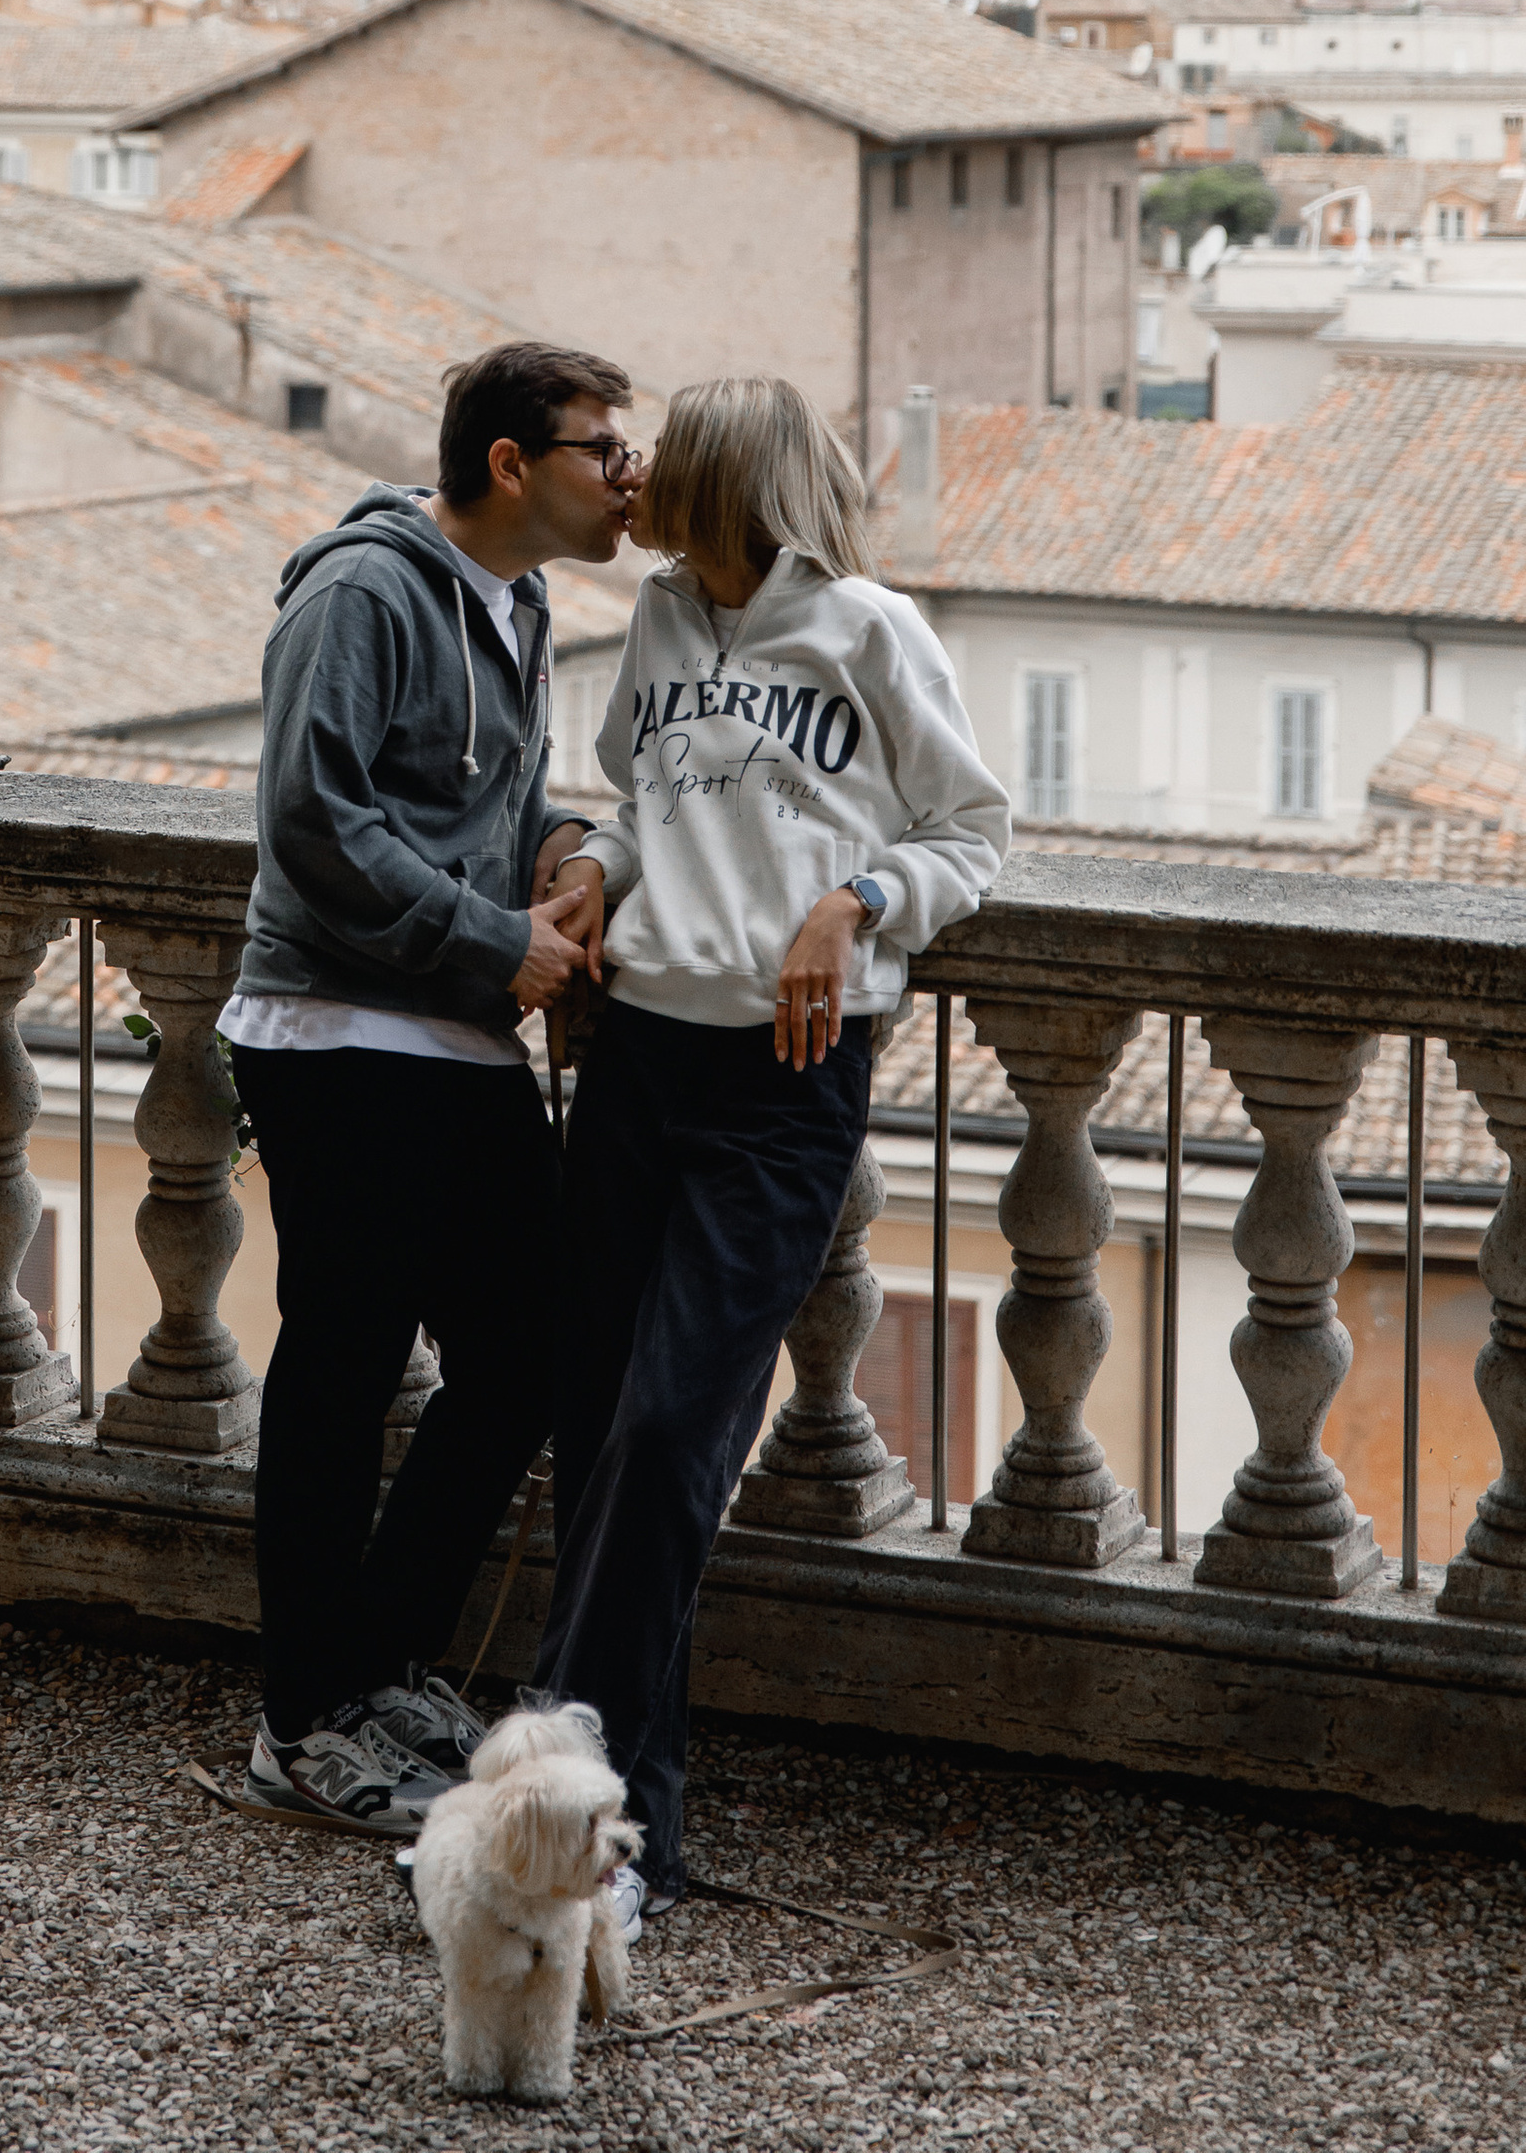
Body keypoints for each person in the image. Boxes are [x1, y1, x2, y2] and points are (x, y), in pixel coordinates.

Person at [534, 373, 1007, 1918]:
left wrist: (855, 904)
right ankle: (625, 1834)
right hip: (635, 1060)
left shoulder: (872, 629)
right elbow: (646, 800)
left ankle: (561, 1808)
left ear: (736, 478)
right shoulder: (664, 620)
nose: (643, 467)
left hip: (785, 1083)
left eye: (673, 448)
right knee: (600, 1425)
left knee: (676, 1435)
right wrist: (596, 864)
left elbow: (971, 831)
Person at [225, 339, 640, 1833]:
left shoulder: (512, 603)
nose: (631, 478)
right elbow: (313, 819)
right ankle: (299, 1721)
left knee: (525, 1355)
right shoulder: (362, 591)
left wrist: (580, 846)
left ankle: (367, 1660)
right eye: (606, 449)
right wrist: (494, 942)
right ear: (514, 465)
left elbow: (495, 798)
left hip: (452, 1036)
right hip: (337, 1032)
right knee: (341, 1371)